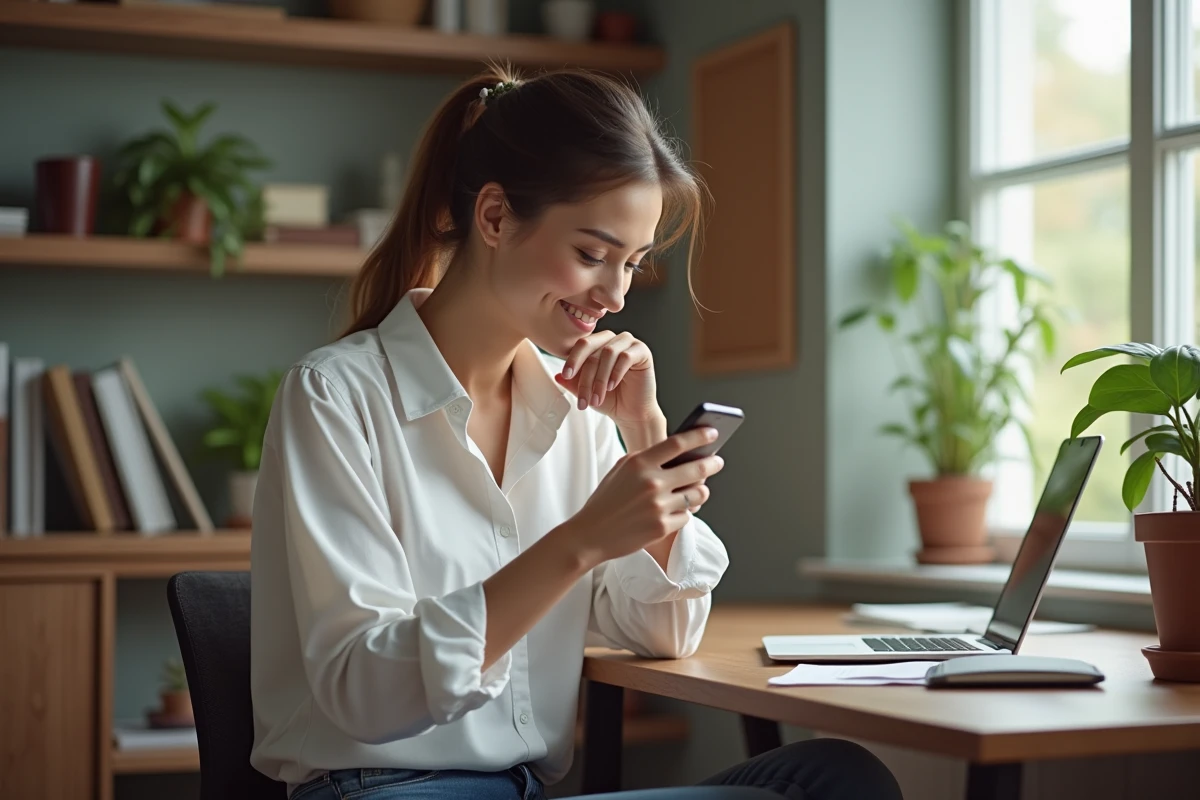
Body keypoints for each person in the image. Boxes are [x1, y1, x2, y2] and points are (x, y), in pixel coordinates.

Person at [248, 65, 904, 800]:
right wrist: (581, 541)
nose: (616, 294)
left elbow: (665, 634)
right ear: (494, 218)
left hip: (524, 789)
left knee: (837, 776)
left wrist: (645, 433)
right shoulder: (336, 396)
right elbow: (364, 690)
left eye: (632, 264)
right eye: (593, 255)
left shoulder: (579, 411)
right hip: (381, 788)